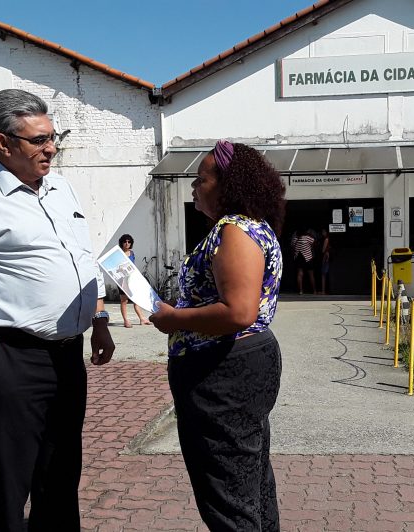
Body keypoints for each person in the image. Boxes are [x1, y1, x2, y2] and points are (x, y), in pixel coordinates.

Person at [0, 88, 115, 532]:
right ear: (3, 143)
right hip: (15, 357)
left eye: (54, 137)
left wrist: (100, 321)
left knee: (61, 471)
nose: (51, 148)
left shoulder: (61, 188)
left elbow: (81, 258)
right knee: (9, 478)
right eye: (38, 140)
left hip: (69, 356)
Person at [149, 140, 285, 531]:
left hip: (224, 371)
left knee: (228, 493)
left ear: (226, 185)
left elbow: (239, 312)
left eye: (201, 178)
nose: (194, 186)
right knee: (250, 481)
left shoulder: (234, 231)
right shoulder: (249, 228)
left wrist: (177, 318)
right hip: (236, 366)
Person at [116, 233, 152, 328]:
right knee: (124, 300)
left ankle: (142, 319)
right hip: (122, 280)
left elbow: (133, 266)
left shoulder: (131, 253)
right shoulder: (118, 253)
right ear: (122, 243)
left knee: (136, 299)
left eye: (129, 242)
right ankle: (126, 321)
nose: (127, 243)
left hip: (132, 279)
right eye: (125, 241)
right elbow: (116, 269)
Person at [292, 228, 315, 294]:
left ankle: (301, 291)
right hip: (308, 257)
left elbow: (292, 246)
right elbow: (314, 242)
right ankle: (314, 290)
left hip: (299, 257)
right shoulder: (308, 238)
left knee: (300, 274)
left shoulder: (295, 239)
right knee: (311, 274)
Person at [318, 228, 331, 295]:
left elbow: (323, 250)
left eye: (323, 231)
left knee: (323, 274)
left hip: (325, 258)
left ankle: (323, 291)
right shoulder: (328, 239)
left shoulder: (326, 239)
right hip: (327, 258)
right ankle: (324, 290)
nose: (322, 233)